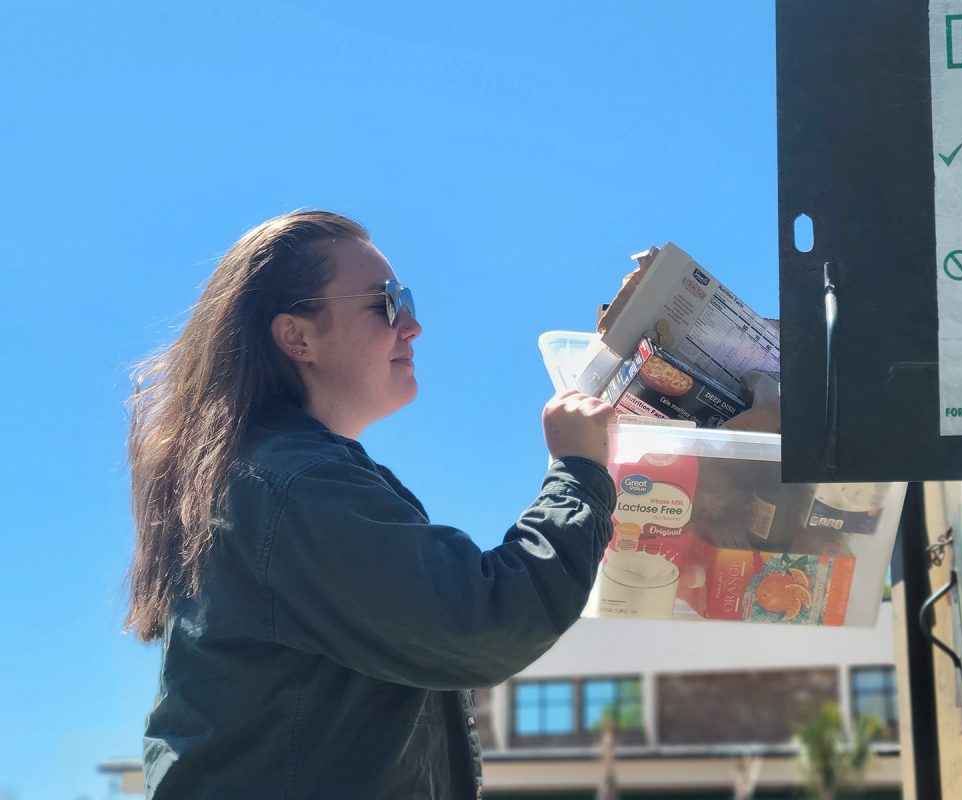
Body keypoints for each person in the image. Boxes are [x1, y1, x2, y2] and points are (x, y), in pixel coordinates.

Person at [124, 210, 617, 798]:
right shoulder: (292, 486)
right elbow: (483, 620)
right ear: (297, 337)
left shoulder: (275, 478)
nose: (411, 325)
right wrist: (578, 474)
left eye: (406, 298)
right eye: (385, 302)